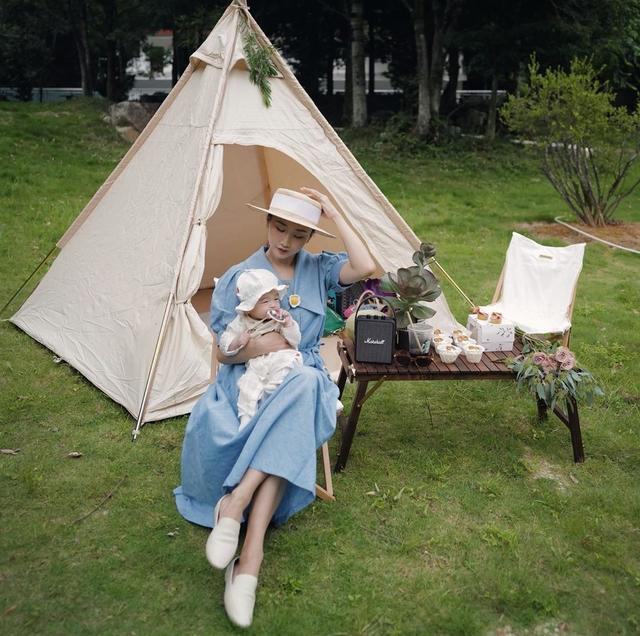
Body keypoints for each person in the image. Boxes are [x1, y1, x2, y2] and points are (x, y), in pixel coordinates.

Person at [174, 187, 375, 628]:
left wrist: (335, 209)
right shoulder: (240, 276)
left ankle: (238, 508)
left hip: (298, 374)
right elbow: (227, 353)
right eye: (279, 227)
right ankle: (251, 557)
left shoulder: (317, 268)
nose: (286, 240)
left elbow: (365, 266)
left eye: (299, 233)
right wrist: (275, 341)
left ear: (308, 237)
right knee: (304, 386)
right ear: (267, 223)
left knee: (304, 380)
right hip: (250, 381)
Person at [218, 268, 303, 430]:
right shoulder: (241, 322)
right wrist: (237, 341)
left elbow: (295, 339)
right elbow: (225, 342)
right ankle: (246, 419)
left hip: (282, 356)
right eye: (265, 301)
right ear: (249, 307)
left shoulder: (280, 319)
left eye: (276, 299)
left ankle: (274, 399)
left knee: (287, 369)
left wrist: (288, 324)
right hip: (256, 363)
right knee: (247, 385)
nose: (273, 304)